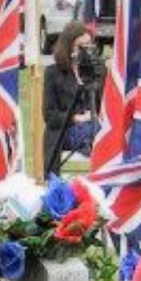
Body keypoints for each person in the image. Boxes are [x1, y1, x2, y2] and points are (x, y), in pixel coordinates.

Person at [42, 22, 101, 174]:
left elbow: (104, 106)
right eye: (81, 46)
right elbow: (50, 116)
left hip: (94, 125)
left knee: (103, 131)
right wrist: (76, 118)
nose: (86, 51)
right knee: (93, 132)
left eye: (89, 46)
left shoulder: (97, 72)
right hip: (65, 131)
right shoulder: (53, 73)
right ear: (69, 47)